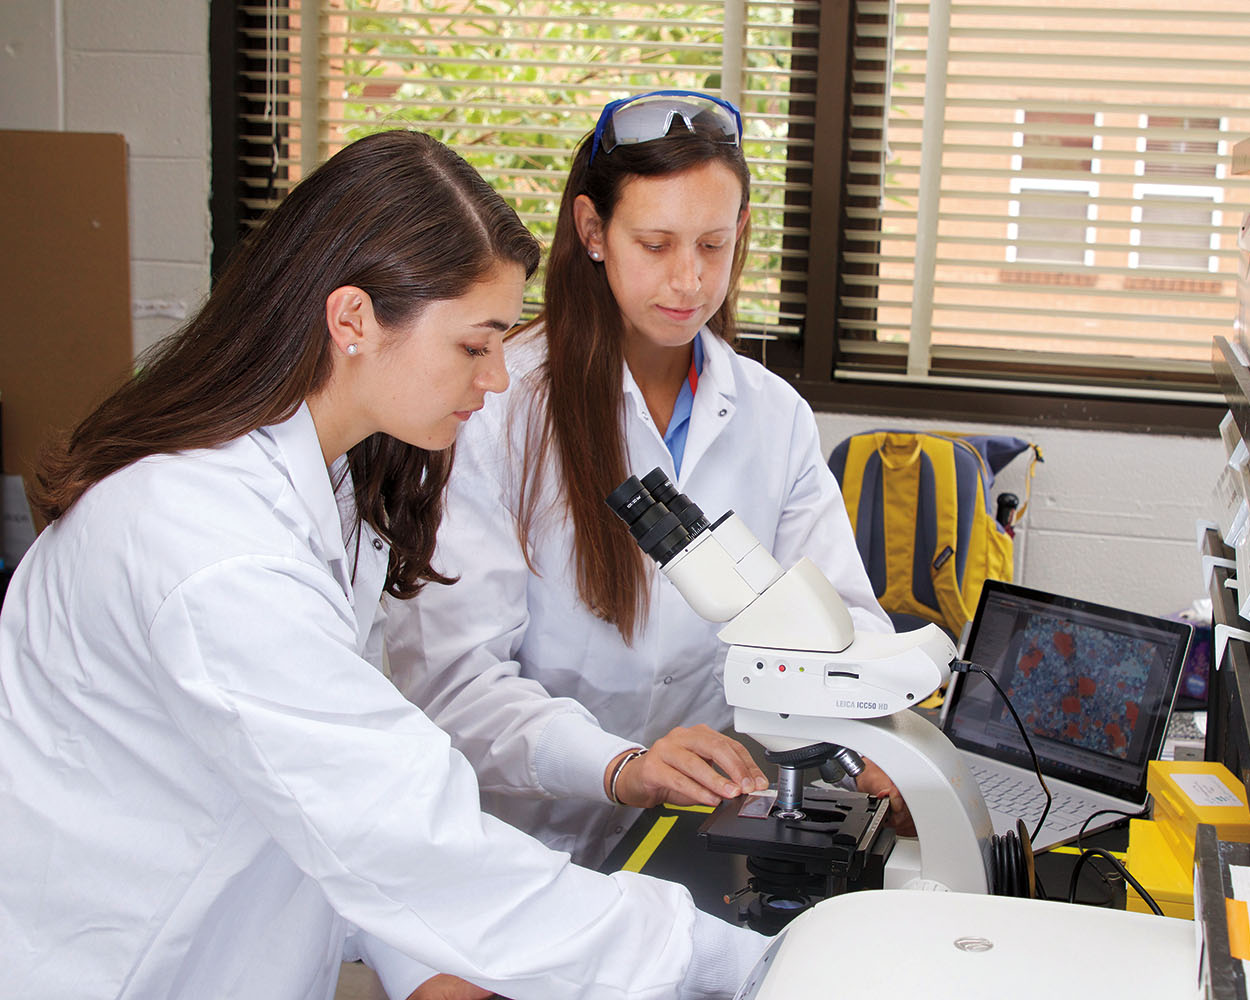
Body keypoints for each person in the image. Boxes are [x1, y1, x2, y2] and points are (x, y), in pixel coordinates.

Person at [0, 129, 766, 1000]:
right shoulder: (210, 546)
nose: (498, 377)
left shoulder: (324, 493)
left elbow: (337, 793)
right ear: (353, 319)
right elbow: (398, 827)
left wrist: (424, 962)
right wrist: (745, 969)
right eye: (475, 345)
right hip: (115, 963)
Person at [384, 91, 909, 871]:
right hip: (524, 840)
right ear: (593, 232)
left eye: (713, 245)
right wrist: (618, 765)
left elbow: (841, 620)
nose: (689, 281)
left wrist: (873, 724)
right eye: (657, 243)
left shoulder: (775, 415)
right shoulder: (494, 404)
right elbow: (457, 680)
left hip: (697, 832)